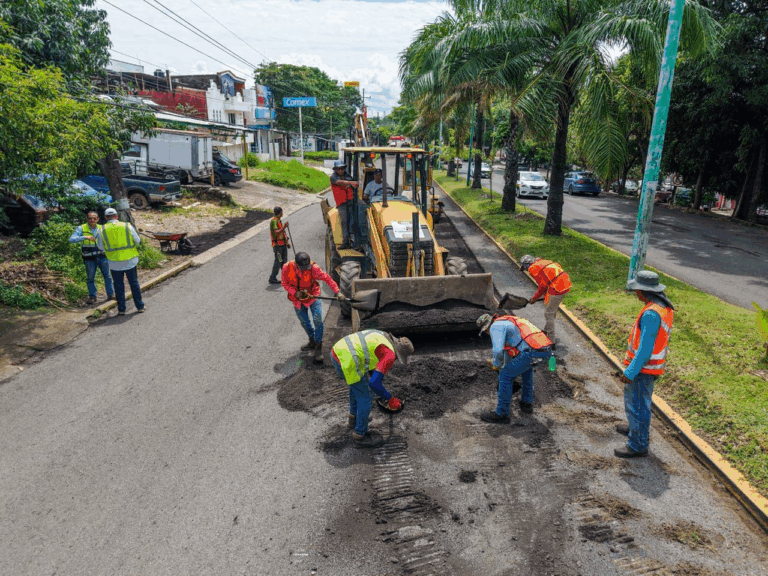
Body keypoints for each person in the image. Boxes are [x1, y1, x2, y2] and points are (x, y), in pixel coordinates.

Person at [615, 271, 674, 458]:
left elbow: (645, 349)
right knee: (640, 403)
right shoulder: (662, 307)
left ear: (644, 291)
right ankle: (635, 429)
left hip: (643, 369)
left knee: (637, 405)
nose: (635, 294)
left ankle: (638, 444)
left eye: (637, 290)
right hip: (650, 367)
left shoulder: (651, 314)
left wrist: (630, 372)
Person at [330, 329, 413, 448]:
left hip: (337, 351)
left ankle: (353, 419)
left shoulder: (383, 336)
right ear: (399, 354)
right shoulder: (390, 355)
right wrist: (390, 399)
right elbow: (374, 384)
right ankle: (359, 436)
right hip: (347, 360)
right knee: (366, 397)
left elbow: (368, 353)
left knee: (356, 387)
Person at [476, 312, 553, 422]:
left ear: (486, 327)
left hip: (530, 352)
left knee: (505, 376)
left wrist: (496, 364)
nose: (487, 334)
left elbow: (497, 351)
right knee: (527, 370)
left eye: (485, 332)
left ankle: (501, 414)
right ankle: (527, 403)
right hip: (545, 349)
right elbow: (508, 352)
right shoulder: (508, 322)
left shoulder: (495, 327)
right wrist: (504, 366)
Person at [281, 252, 345, 359]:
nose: (306, 269)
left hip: (313, 295)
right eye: (303, 267)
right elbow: (284, 283)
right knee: (304, 321)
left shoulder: (313, 268)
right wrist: (295, 292)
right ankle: (312, 340)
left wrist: (338, 292)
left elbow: (327, 278)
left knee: (318, 319)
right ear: (296, 265)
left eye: (307, 267)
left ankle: (318, 346)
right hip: (298, 299)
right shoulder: (287, 267)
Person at [97, 208, 145, 316]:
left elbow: (100, 246)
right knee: (134, 283)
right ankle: (140, 306)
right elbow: (137, 240)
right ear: (117, 216)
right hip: (130, 260)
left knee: (118, 286)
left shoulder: (102, 230)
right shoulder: (127, 226)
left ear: (105, 218)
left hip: (114, 263)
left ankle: (121, 309)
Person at [520, 255, 571, 346]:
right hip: (565, 282)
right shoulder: (542, 262)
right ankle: (546, 330)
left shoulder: (532, 268)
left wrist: (534, 298)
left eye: (525, 267)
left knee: (549, 313)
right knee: (551, 309)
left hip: (558, 287)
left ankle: (551, 340)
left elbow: (542, 286)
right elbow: (548, 277)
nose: (526, 270)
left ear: (527, 264)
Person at [69, 211, 114, 305]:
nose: (92, 220)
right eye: (90, 218)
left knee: (108, 276)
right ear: (87, 219)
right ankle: (92, 296)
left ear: (98, 219)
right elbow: (71, 239)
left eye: (94, 218)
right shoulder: (81, 228)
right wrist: (85, 237)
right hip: (89, 258)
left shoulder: (102, 228)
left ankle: (111, 294)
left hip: (102, 256)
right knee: (90, 278)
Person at [330, 160, 358, 249]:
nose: (340, 171)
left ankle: (355, 240)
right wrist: (350, 183)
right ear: (335, 170)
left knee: (353, 221)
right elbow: (339, 182)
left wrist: (352, 183)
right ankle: (345, 242)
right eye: (338, 169)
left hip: (350, 201)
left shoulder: (347, 175)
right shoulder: (333, 177)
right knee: (344, 221)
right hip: (341, 203)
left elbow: (355, 183)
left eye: (342, 169)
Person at [268, 206, 290, 285]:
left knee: (284, 262)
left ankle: (286, 277)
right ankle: (272, 277)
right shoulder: (274, 221)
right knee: (278, 262)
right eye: (282, 212)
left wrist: (286, 242)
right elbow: (277, 232)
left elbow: (282, 234)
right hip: (278, 246)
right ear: (280, 212)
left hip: (282, 245)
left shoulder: (278, 220)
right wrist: (284, 227)